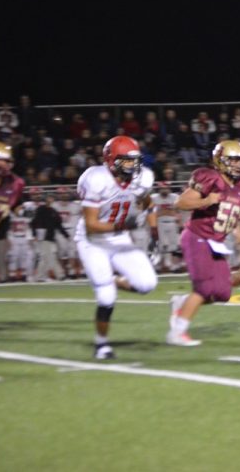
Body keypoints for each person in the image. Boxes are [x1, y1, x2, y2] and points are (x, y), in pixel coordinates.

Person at [167, 140, 240, 347]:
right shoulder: (209, 178)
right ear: (220, 160)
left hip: (217, 241)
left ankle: (183, 302)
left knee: (222, 293)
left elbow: (230, 210)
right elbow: (180, 202)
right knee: (203, 289)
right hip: (197, 237)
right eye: (233, 160)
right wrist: (206, 200)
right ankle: (177, 332)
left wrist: (236, 229)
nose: (239, 165)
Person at [75, 136, 158, 359]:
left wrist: (154, 234)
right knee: (106, 298)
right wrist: (124, 224)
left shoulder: (143, 179)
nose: (133, 166)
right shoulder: (96, 179)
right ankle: (101, 344)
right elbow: (92, 226)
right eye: (127, 161)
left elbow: (149, 204)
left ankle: (111, 280)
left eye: (134, 160)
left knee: (147, 284)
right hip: (93, 242)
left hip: (120, 239)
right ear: (111, 160)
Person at [0, 142, 26, 286]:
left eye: (6, 161)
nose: (2, 164)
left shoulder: (15, 183)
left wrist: (22, 210)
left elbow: (15, 203)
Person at [30, 193, 68, 281]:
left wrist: (66, 234)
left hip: (51, 236)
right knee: (48, 256)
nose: (50, 200)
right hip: (43, 235)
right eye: (48, 198)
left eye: (51, 198)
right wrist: (34, 234)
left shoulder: (54, 211)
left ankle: (40, 276)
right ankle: (59, 274)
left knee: (46, 256)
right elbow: (33, 222)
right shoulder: (41, 209)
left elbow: (58, 225)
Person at [150, 182, 181, 271]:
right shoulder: (154, 197)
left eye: (166, 188)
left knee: (173, 244)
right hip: (159, 222)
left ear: (169, 189)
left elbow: (178, 211)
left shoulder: (175, 197)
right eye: (162, 188)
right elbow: (151, 211)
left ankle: (172, 264)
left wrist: (178, 220)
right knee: (162, 244)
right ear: (159, 189)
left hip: (172, 222)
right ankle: (160, 264)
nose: (164, 190)